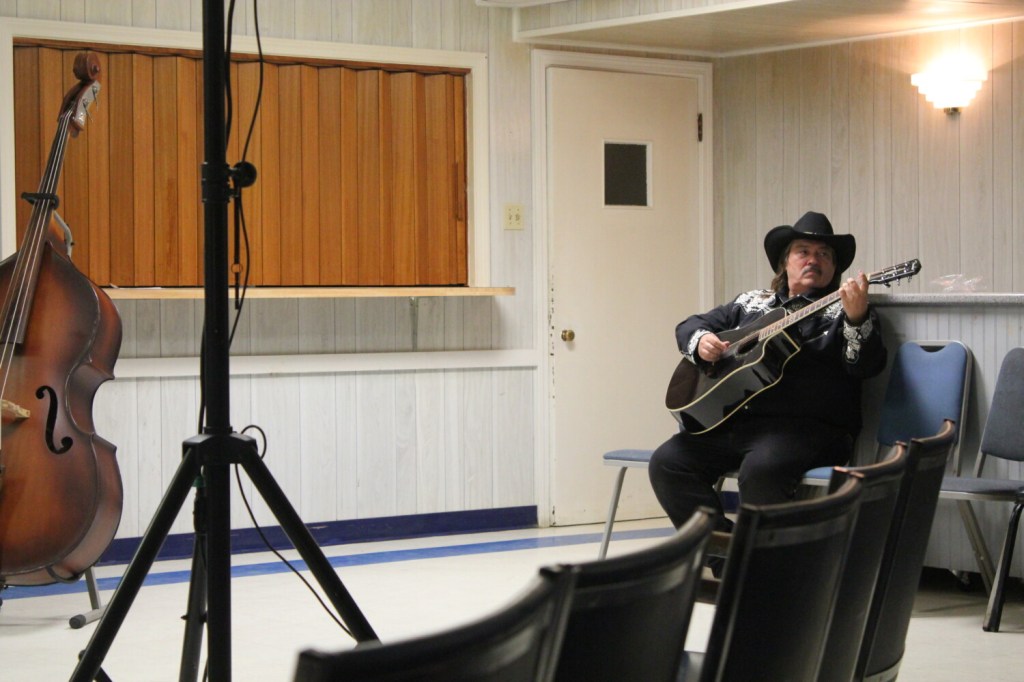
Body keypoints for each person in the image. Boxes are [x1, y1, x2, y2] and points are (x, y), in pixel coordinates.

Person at [648, 211, 887, 538]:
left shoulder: (844, 310)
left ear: (834, 268)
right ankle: (725, 559)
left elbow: (864, 366)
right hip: (736, 422)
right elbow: (690, 325)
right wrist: (701, 341)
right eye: (803, 251)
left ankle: (768, 572)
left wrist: (857, 319)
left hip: (808, 429)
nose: (813, 260)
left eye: (824, 254)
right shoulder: (750, 302)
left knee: (761, 471)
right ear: (784, 261)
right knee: (668, 462)